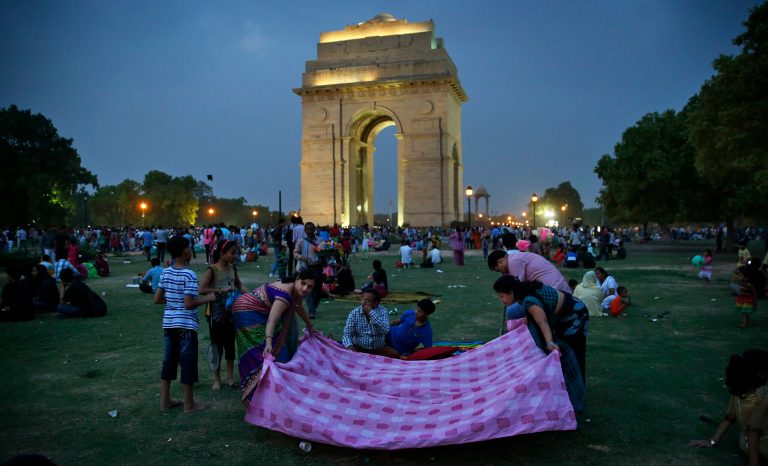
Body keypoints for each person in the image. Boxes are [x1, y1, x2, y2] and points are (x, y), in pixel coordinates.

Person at [493, 275, 588, 412]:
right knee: (563, 354)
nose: (501, 300)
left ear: (511, 293)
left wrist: (549, 343)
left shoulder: (530, 301)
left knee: (570, 355)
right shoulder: (525, 295)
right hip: (567, 313)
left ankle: (574, 402)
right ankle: (565, 394)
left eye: (502, 296)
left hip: (575, 315)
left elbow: (542, 323)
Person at [231, 268, 316, 401]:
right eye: (303, 283)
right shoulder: (285, 295)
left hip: (260, 312)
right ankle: (256, 395)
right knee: (259, 351)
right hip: (245, 311)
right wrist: (269, 342)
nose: (305, 288)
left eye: (310, 287)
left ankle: (273, 389)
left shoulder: (296, 291)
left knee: (277, 348)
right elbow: (272, 320)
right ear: (297, 278)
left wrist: (310, 326)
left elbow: (298, 306)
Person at [154, 236, 215, 413]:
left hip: (169, 324)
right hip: (186, 325)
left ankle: (165, 402)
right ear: (184, 251)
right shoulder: (189, 274)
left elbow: (157, 299)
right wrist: (208, 299)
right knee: (187, 363)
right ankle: (189, 404)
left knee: (169, 361)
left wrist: (173, 299)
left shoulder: (166, 272)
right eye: (188, 247)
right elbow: (189, 303)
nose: (190, 249)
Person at [689, 350, 768, 464]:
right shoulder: (761, 398)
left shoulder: (739, 391)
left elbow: (730, 417)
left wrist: (712, 442)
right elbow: (753, 432)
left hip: (745, 444)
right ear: (760, 374)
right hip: (760, 448)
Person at [199, 239, 247, 391]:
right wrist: (220, 291)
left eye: (236, 253)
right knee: (217, 347)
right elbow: (201, 289)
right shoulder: (212, 270)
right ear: (222, 253)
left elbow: (238, 284)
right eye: (232, 253)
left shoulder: (233, 267)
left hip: (232, 313)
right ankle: (217, 379)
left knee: (230, 345)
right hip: (216, 314)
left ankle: (231, 377)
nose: (235, 256)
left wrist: (244, 290)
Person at [341, 289, 397, 356]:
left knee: (395, 354)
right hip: (360, 348)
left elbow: (386, 329)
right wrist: (350, 347)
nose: (363, 303)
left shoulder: (382, 311)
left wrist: (371, 313)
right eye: (363, 299)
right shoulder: (354, 313)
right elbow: (347, 334)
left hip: (378, 349)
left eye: (367, 301)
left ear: (375, 303)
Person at [487, 249, 571, 293]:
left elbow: (517, 286)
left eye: (498, 270)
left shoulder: (513, 262)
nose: (502, 273)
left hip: (555, 289)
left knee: (515, 310)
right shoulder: (514, 258)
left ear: (499, 263)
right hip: (556, 286)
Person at [293, 222, 322, 318]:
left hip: (318, 267)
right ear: (305, 230)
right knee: (308, 289)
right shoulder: (301, 241)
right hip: (307, 267)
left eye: (311, 229)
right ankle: (311, 310)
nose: (309, 231)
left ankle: (313, 307)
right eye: (307, 229)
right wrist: (302, 258)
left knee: (318, 289)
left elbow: (326, 252)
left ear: (314, 229)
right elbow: (295, 253)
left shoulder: (320, 240)